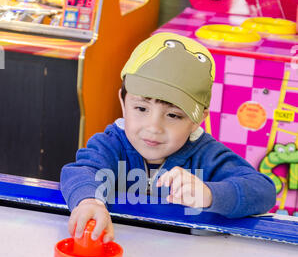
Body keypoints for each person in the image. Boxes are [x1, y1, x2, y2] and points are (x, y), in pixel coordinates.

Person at [60, 32, 276, 243]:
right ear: (123, 103)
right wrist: (90, 201)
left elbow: (263, 191)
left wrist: (210, 194)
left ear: (197, 119)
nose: (154, 127)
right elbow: (79, 171)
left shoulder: (208, 155)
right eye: (141, 108)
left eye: (173, 115)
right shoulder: (110, 144)